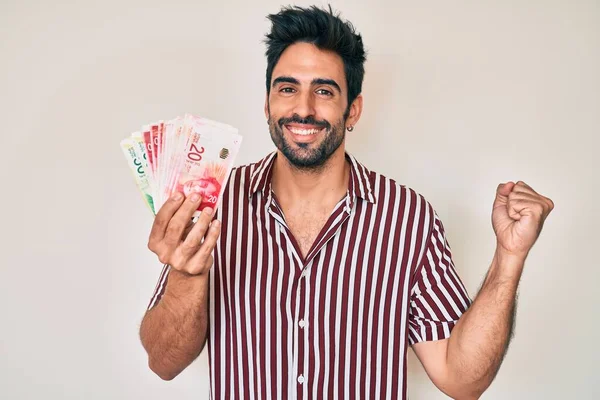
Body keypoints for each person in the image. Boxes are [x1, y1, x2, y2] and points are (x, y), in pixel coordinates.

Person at [139, 5, 554, 400]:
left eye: (324, 91)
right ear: (267, 104)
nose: (303, 108)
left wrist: (509, 256)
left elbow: (462, 380)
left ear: (352, 110)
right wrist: (187, 277)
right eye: (287, 89)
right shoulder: (214, 204)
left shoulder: (408, 219)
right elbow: (164, 362)